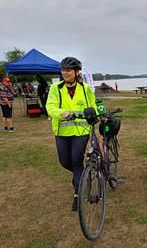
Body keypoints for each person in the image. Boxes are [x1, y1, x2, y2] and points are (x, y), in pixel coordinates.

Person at [46, 57, 96, 211]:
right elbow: (50, 107)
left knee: (75, 159)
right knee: (64, 161)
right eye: (63, 70)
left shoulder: (85, 88)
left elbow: (92, 105)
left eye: (68, 70)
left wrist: (94, 113)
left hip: (81, 131)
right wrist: (62, 113)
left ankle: (77, 194)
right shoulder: (56, 88)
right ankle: (80, 176)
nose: (65, 73)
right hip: (62, 131)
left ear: (76, 72)